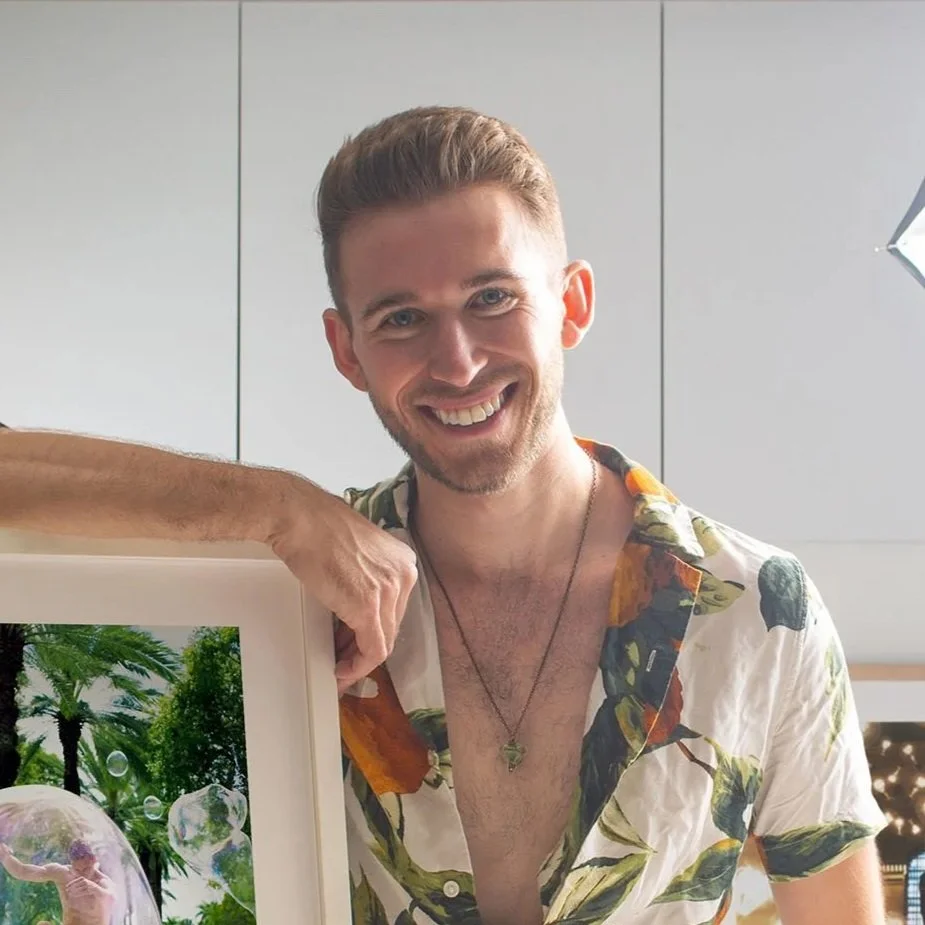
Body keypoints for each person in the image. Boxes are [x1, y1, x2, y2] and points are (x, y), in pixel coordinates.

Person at [0, 106, 887, 924]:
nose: (457, 362)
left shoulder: (761, 607)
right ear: (346, 350)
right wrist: (270, 501)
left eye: (492, 297)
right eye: (400, 318)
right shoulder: (290, 590)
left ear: (571, 303)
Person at [0, 838, 116, 925]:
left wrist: (94, 888)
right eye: (77, 870)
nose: (81, 875)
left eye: (86, 869)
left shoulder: (102, 882)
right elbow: (23, 871)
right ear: (71, 862)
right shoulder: (62, 873)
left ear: (94, 860)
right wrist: (5, 857)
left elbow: (112, 897)